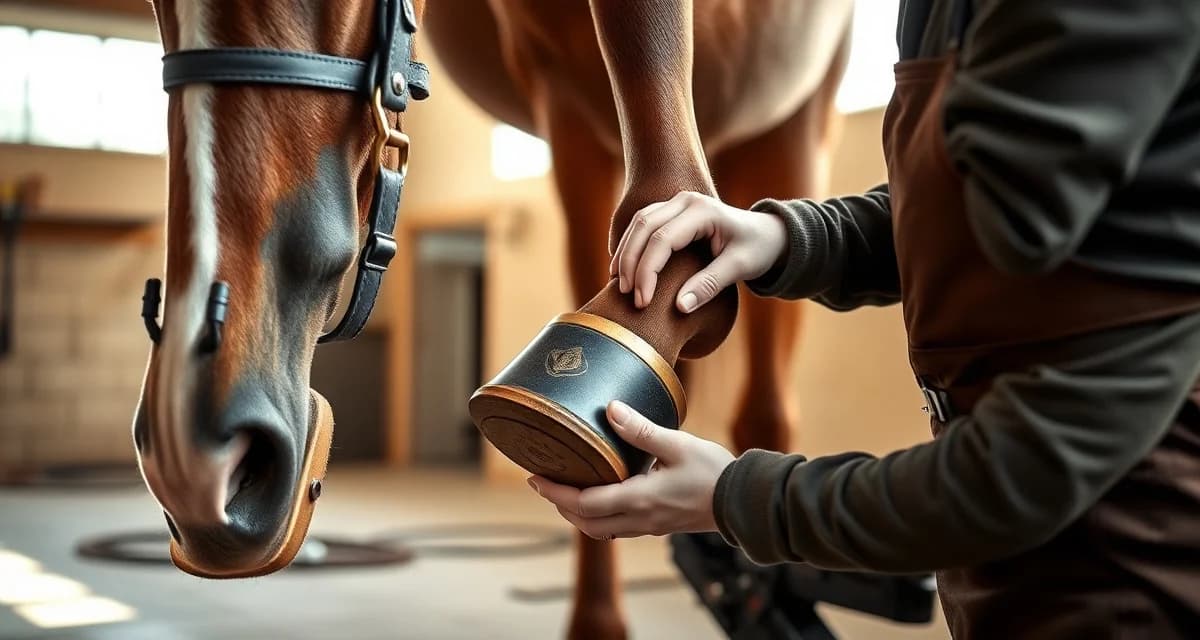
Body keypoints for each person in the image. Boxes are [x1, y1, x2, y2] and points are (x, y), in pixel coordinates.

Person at [526, 0, 1200, 637]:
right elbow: (964, 209)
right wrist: (786, 239)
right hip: (1006, 559)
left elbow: (1018, 476)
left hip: (1131, 558)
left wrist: (737, 497)